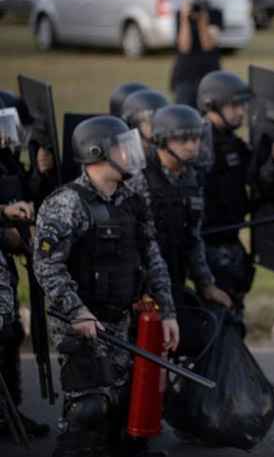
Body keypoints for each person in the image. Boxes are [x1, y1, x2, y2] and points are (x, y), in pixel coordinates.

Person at [33, 115, 179, 457]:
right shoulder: (66, 203)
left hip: (122, 323)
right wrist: (77, 313)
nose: (131, 154)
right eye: (122, 148)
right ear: (97, 153)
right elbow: (46, 266)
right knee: (89, 412)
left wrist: (168, 313)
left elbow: (153, 259)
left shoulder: (131, 200)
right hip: (81, 326)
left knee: (126, 410)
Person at [197, 70, 274, 311]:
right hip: (206, 245)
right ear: (212, 105)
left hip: (229, 242)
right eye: (234, 106)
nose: (241, 112)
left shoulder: (234, 144)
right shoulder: (199, 145)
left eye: (242, 105)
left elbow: (258, 187)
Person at [128, 104, 231, 315]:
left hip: (174, 279)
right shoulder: (139, 178)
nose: (192, 146)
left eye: (196, 139)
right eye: (183, 139)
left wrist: (205, 284)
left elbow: (193, 237)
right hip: (140, 288)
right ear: (162, 140)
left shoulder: (191, 179)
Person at [0, 97, 51, 439]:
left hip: (5, 265)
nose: (8, 137)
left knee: (11, 332)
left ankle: (9, 413)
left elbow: (21, 194)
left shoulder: (6, 161)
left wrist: (40, 172)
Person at [171, 0, 223, 108]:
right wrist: (185, 19)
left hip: (209, 73)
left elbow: (208, 45)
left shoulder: (215, 13)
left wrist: (202, 22)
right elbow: (184, 47)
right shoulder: (181, 14)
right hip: (185, 75)